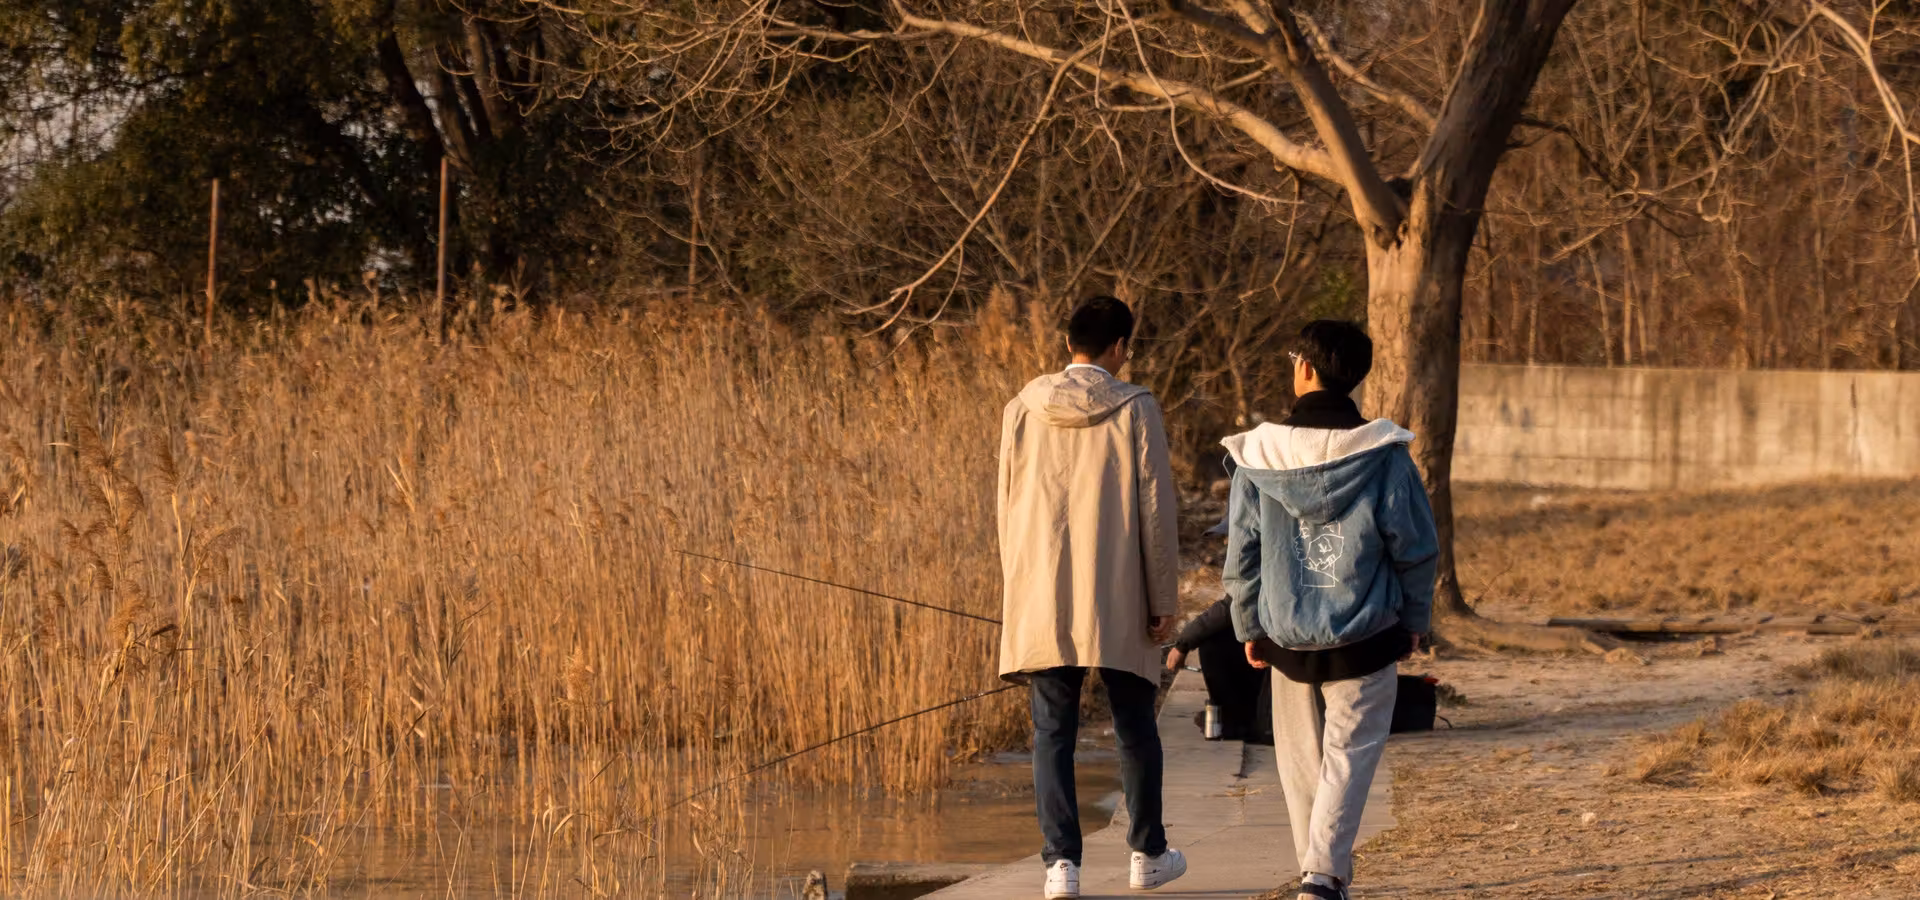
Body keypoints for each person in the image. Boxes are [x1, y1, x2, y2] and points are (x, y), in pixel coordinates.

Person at [1221, 320, 1438, 900]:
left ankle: (1317, 876)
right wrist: (1415, 620)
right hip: (1367, 633)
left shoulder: (1258, 455)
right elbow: (1416, 548)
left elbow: (1242, 552)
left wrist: (1248, 624)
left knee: (1300, 764)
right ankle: (1322, 876)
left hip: (1286, 635)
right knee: (1348, 759)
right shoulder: (1385, 455)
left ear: (1306, 368)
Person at [998, 296, 1189, 899]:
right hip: (1120, 591)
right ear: (1120, 347)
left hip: (1043, 590)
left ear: (1067, 343)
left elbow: (1007, 507)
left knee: (1051, 730)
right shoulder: (1137, 406)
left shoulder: (1021, 407)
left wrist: (1018, 592)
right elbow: (1156, 510)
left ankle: (1061, 866)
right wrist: (1163, 597)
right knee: (1135, 723)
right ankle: (1147, 853)